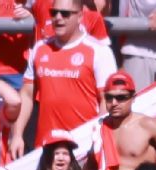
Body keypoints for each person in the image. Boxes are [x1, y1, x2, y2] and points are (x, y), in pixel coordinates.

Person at [11, 0, 117, 156]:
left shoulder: (99, 51)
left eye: (65, 13)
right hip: (45, 146)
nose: (58, 18)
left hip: (83, 146)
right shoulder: (40, 48)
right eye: (54, 13)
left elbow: (106, 101)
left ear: (80, 16)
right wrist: (17, 135)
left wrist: (98, 138)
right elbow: (27, 94)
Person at [88, 71, 156, 170]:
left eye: (121, 98)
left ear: (133, 98)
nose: (114, 103)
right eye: (109, 98)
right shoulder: (100, 128)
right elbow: (90, 168)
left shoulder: (149, 125)